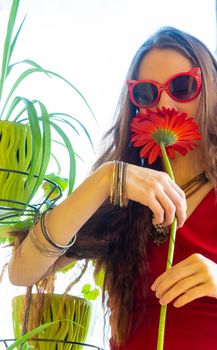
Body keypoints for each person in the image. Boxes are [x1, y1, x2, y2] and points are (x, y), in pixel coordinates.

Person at [8, 26, 217, 350]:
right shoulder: (124, 197)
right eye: (146, 93)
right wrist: (105, 180)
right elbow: (22, 272)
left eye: (182, 86)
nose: (164, 103)